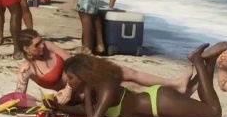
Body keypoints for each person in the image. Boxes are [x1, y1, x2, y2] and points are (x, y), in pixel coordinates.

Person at [55, 43, 227, 117]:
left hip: (159, 103)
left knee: (214, 113)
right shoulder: (97, 87)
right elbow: (86, 110)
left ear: (82, 75)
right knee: (204, 115)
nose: (69, 83)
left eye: (71, 78)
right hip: (158, 105)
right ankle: (210, 61)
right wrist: (57, 107)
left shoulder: (106, 86)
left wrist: (85, 89)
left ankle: (198, 61)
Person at [15, 29, 195, 104]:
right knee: (128, 87)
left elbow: (72, 61)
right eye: (37, 45)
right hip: (76, 93)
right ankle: (175, 98)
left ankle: (175, 84)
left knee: (128, 72)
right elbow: (18, 97)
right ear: (27, 50)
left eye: (41, 41)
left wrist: (71, 84)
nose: (42, 45)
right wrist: (42, 100)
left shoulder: (48, 46)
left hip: (79, 76)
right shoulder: (26, 69)